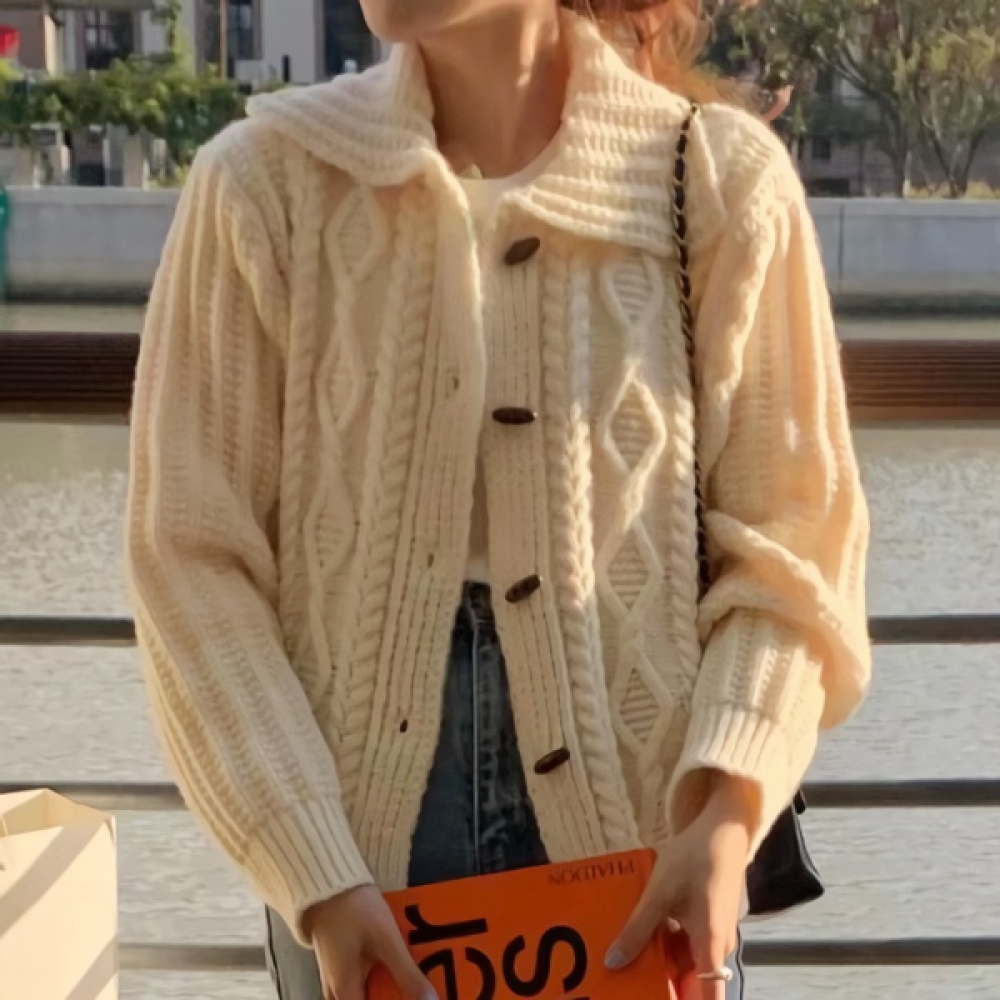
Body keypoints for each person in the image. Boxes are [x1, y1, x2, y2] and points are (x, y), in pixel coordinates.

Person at [124, 0, 872, 998]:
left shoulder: (719, 182)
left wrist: (728, 812)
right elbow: (189, 557)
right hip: (352, 861)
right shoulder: (263, 185)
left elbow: (794, 542)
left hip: (652, 855)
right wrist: (312, 865)